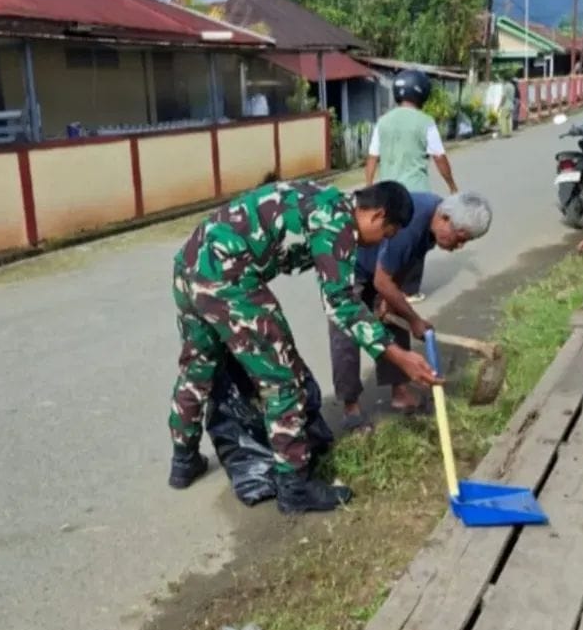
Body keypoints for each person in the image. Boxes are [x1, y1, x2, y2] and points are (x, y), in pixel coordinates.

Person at [167, 179, 441, 515]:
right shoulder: (336, 222)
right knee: (282, 379)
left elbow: (298, 252)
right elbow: (341, 303)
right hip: (229, 279)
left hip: (190, 264)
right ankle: (295, 487)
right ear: (377, 215)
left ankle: (184, 460)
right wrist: (398, 355)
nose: (381, 243)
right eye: (386, 234)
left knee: (198, 367)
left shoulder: (323, 199)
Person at [329, 192, 493, 432]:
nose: (460, 247)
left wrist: (393, 303)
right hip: (349, 264)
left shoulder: (434, 218)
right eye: (460, 239)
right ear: (445, 218)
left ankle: (399, 393)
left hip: (378, 266)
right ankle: (351, 408)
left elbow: (406, 264)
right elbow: (382, 282)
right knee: (347, 330)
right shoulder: (411, 223)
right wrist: (414, 319)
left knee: (396, 317)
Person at [365, 69, 459, 305]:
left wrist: (369, 187)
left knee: (388, 237)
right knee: (418, 241)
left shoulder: (383, 121)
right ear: (422, 93)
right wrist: (452, 186)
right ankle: (408, 289)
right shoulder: (425, 121)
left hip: (388, 193)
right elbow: (439, 156)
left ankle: (383, 282)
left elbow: (372, 157)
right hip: (416, 192)